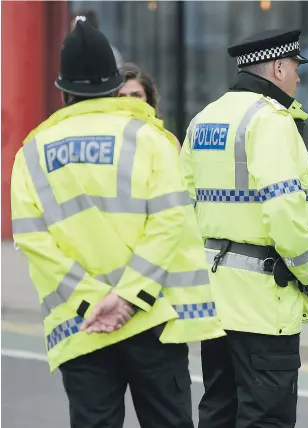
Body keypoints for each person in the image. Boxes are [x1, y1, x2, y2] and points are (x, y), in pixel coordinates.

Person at [10, 20, 224, 428]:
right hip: (152, 318)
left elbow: (32, 239)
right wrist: (127, 298)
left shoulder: (31, 152)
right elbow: (170, 220)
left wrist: (93, 301)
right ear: (113, 84)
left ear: (63, 89)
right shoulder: (149, 138)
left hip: (82, 325)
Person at [180, 28, 308, 428]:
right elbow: (284, 209)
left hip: (216, 300)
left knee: (219, 409)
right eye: (295, 67)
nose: (298, 77)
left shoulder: (203, 119)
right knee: (267, 417)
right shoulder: (271, 121)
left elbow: (183, 207)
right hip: (264, 302)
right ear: (278, 67)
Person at [119, 62, 182, 152]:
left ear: (148, 99)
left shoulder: (167, 140)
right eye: (122, 96)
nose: (130, 102)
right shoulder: (104, 138)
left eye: (136, 96)